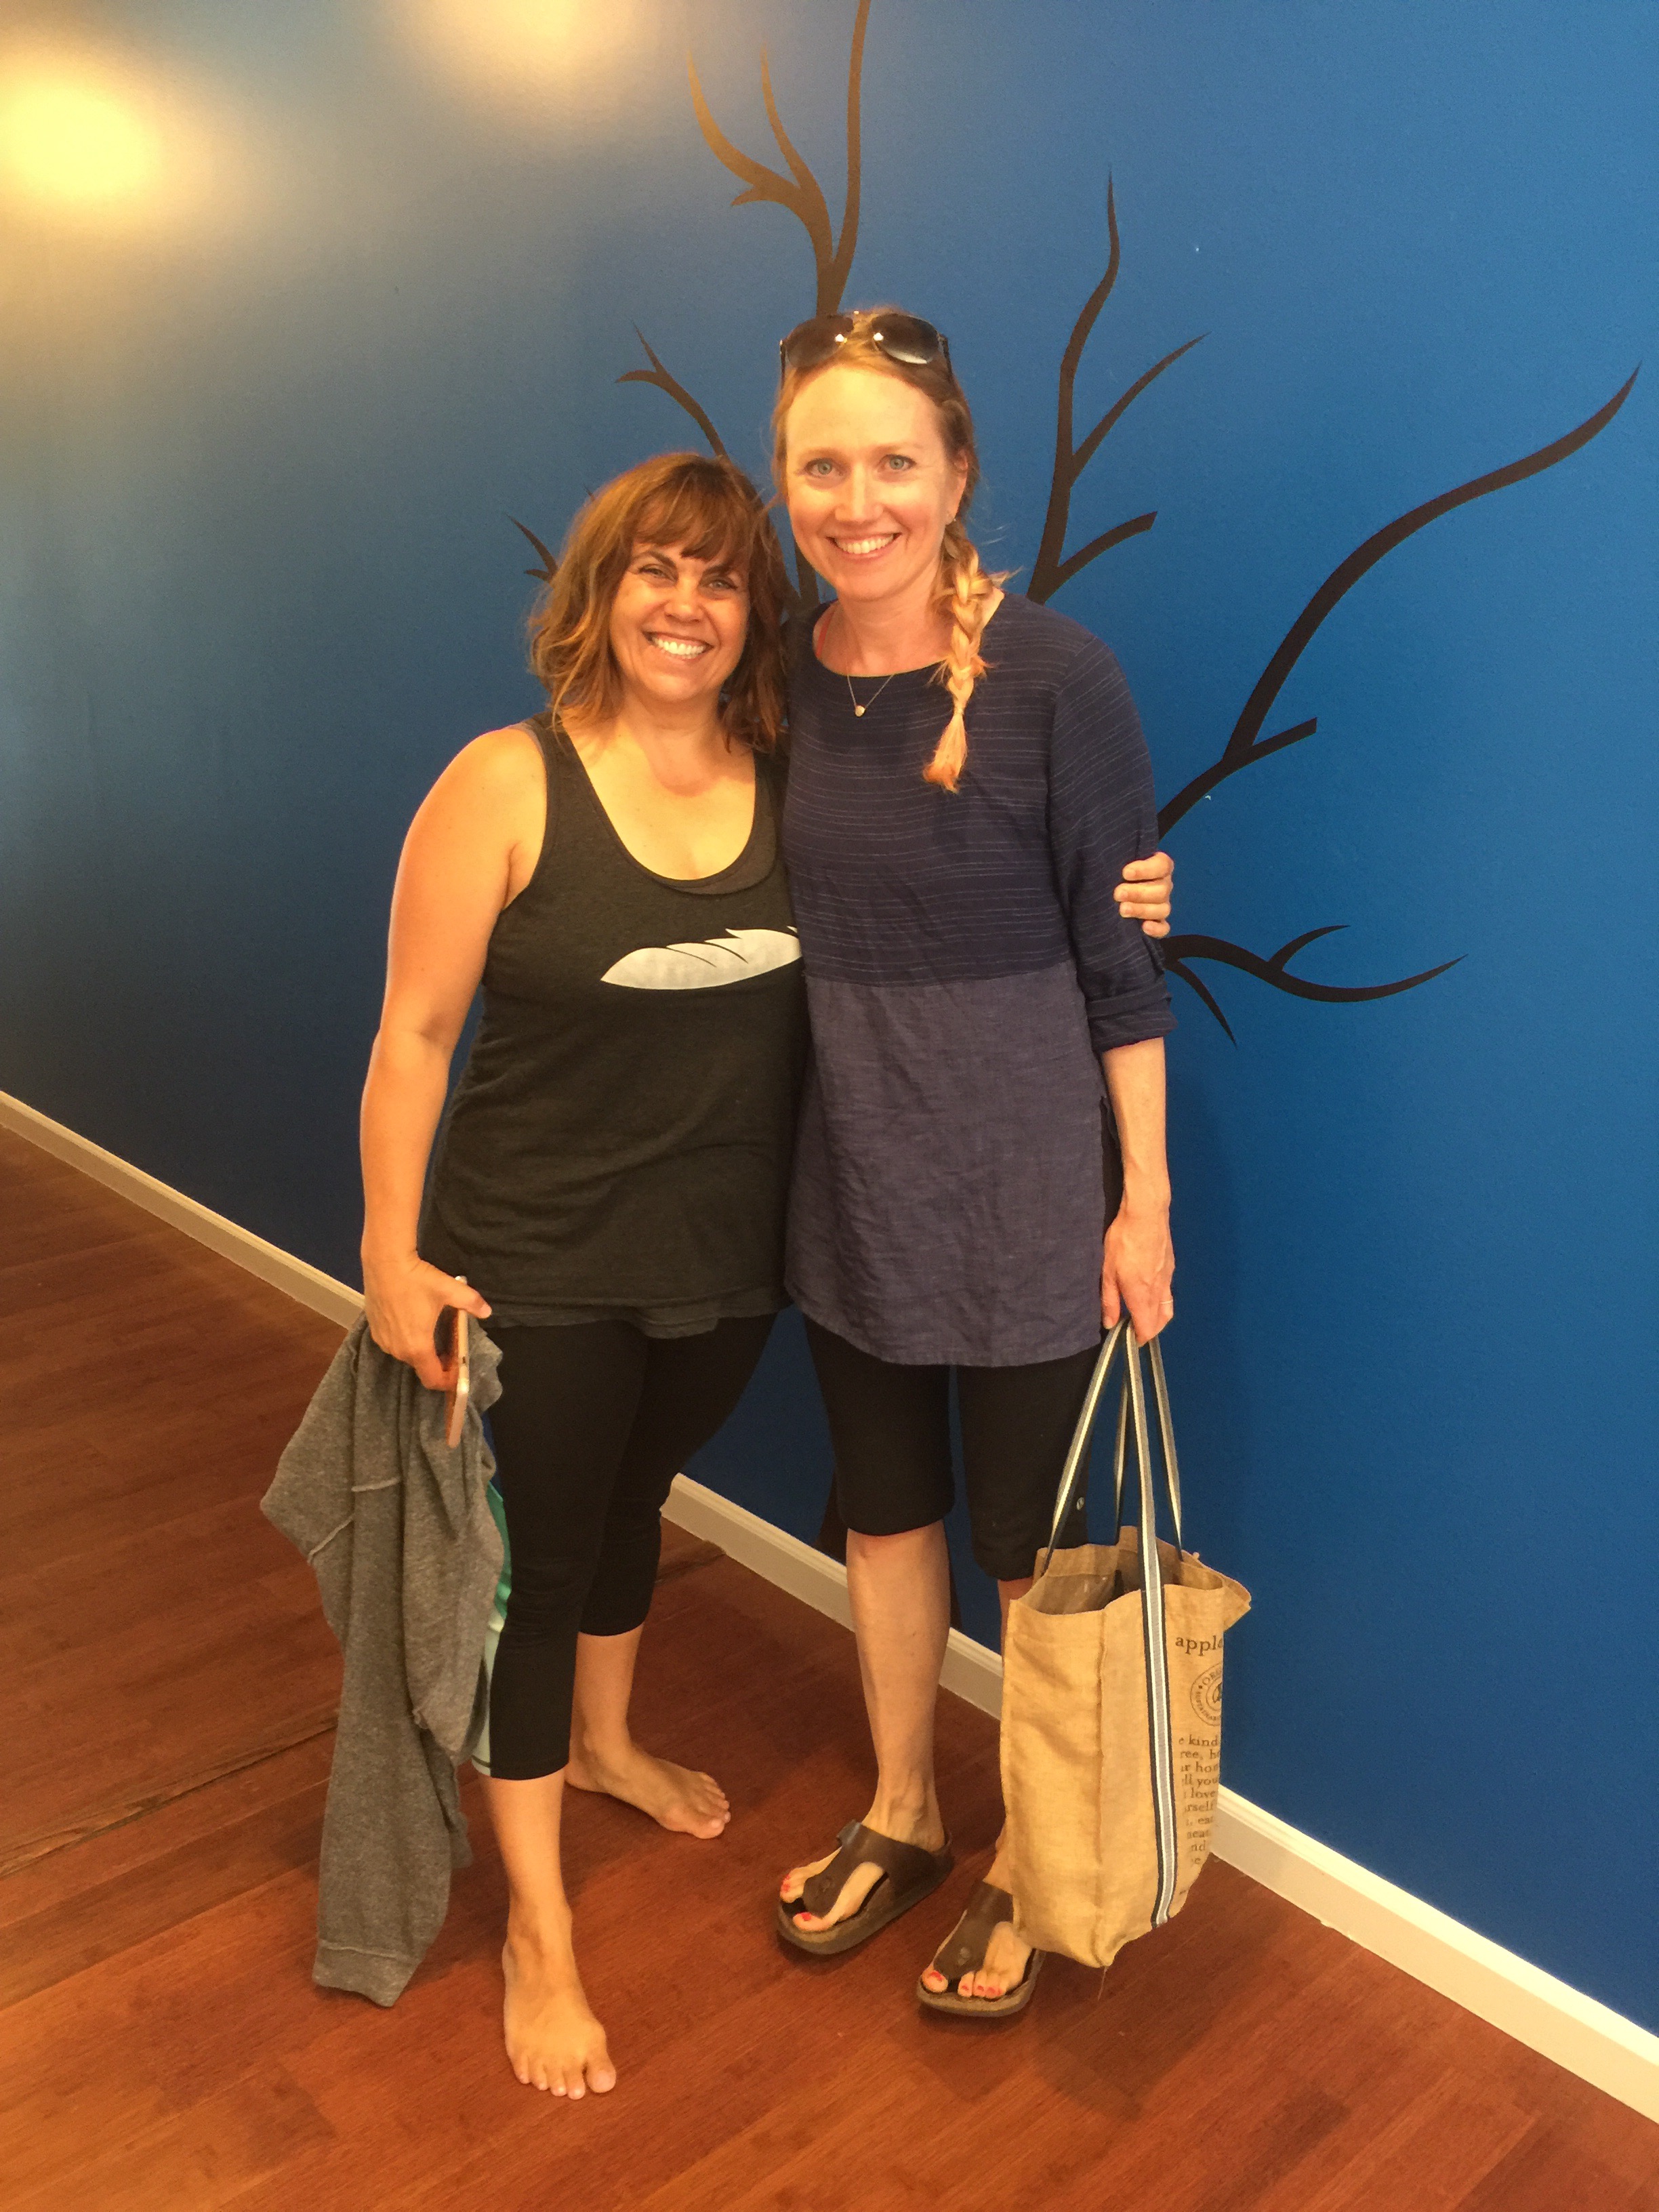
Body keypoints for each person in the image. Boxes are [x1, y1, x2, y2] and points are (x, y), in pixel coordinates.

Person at [359, 445, 1177, 2097]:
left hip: (758, 1253)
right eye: (653, 571)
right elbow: (414, 1036)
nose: (687, 605)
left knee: (651, 1504)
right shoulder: (518, 780)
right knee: (570, 1557)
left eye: (720, 578)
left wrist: (1129, 888)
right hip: (570, 1254)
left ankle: (628, 1750)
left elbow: (991, 866)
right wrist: (389, 1248)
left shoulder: (798, 757)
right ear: (598, 592)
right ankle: (555, 1929)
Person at [771, 310, 1176, 2018]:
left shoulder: (1059, 678)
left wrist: (1145, 1203)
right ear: (787, 480)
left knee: (1028, 1554)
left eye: (894, 461)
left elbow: (1124, 963)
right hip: (852, 1180)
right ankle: (905, 1810)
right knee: (883, 1522)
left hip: (1028, 1194)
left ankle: (1027, 1850)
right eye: (823, 465)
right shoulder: (774, 679)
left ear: (956, 477)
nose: (858, 500)